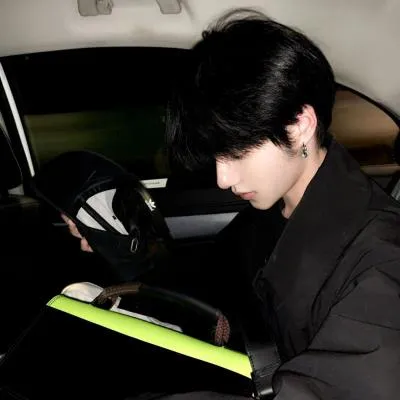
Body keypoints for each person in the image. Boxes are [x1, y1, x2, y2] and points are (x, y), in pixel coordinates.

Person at [65, 8, 400, 399]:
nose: (223, 179)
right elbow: (209, 275)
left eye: (237, 152)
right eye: (216, 156)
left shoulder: (383, 257)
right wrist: (120, 245)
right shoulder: (274, 214)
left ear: (298, 125)